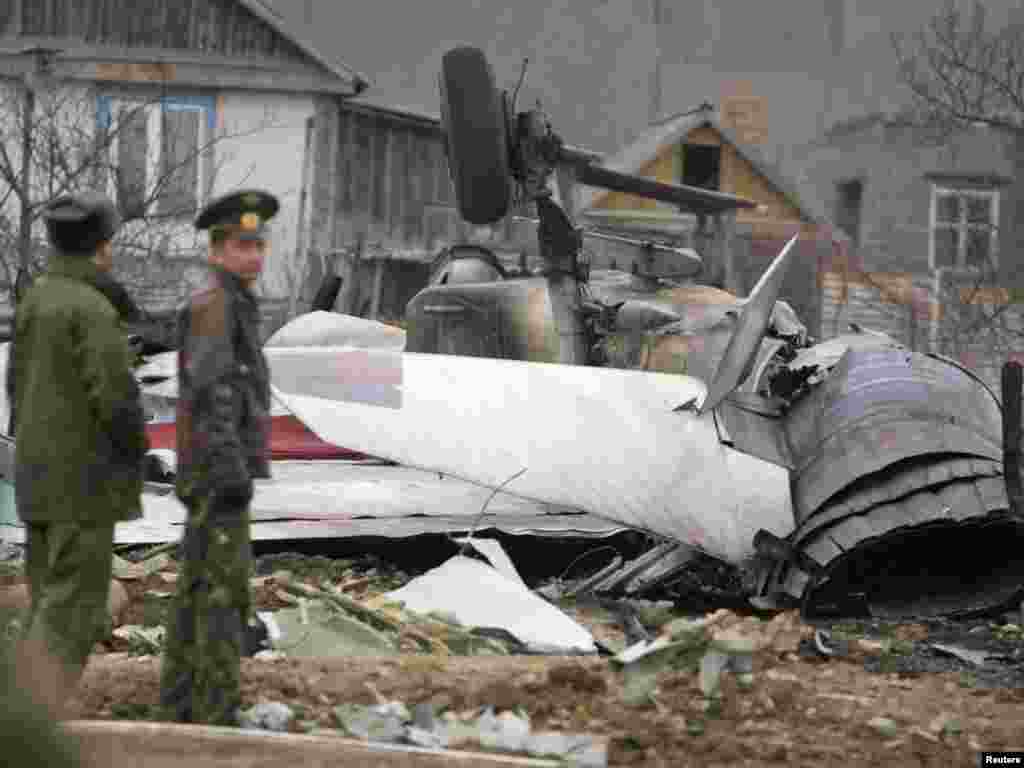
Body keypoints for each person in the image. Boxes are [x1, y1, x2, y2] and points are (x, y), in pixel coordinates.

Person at [7, 192, 148, 701]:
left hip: (36, 479)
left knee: (48, 600)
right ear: (103, 247)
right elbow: (114, 398)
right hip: (82, 485)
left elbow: (15, 388)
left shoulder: (38, 298)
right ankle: (29, 724)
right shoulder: (92, 308)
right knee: (73, 611)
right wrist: (138, 449)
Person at [160, 189, 278, 726]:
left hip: (214, 468)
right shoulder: (216, 305)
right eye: (242, 245)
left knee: (198, 585)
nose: (254, 255)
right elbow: (214, 392)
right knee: (222, 590)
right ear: (216, 251)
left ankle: (183, 704)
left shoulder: (234, 302)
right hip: (216, 472)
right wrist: (232, 466)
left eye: (258, 244)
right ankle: (213, 710)